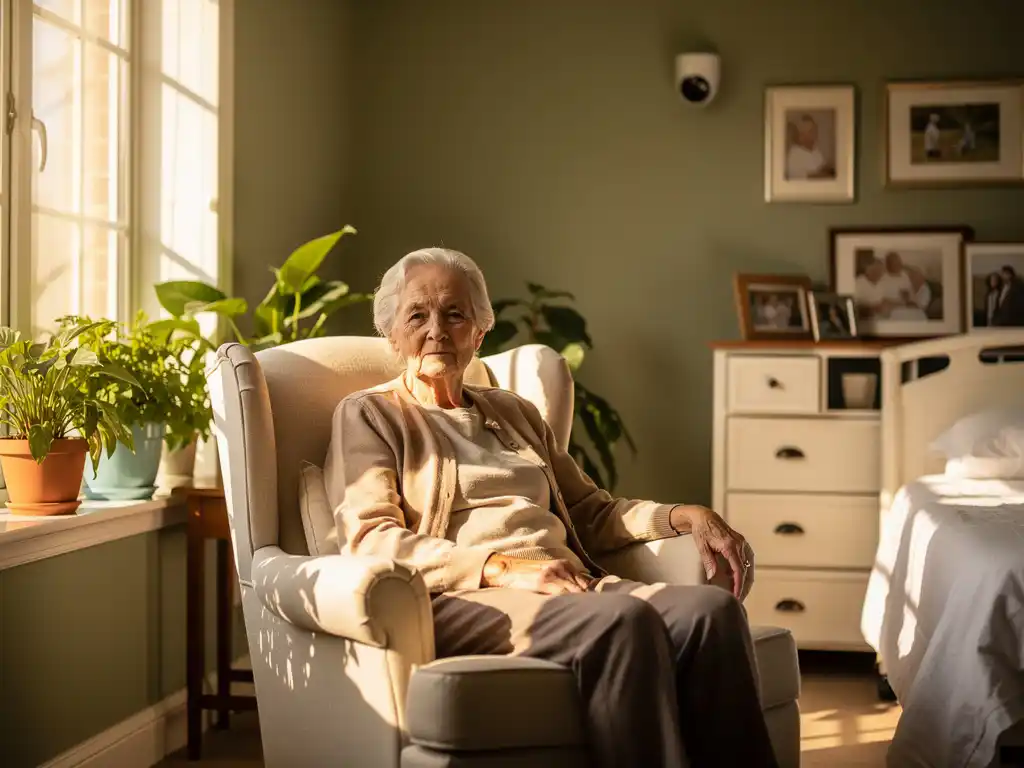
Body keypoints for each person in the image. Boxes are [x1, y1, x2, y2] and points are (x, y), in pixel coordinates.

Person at [324, 248, 778, 768]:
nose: (437, 330)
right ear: (393, 334)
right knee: (620, 621)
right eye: (418, 315)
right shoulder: (370, 414)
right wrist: (501, 568)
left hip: (569, 586)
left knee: (711, 612)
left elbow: (589, 511)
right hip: (462, 597)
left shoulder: (514, 412)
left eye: (455, 313)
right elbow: (370, 539)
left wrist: (683, 515)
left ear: (479, 332)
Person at [785, 113, 835, 179]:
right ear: (801, 135)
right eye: (811, 131)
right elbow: (807, 178)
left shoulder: (815, 149)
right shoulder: (793, 155)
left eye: (815, 129)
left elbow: (821, 167)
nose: (816, 133)